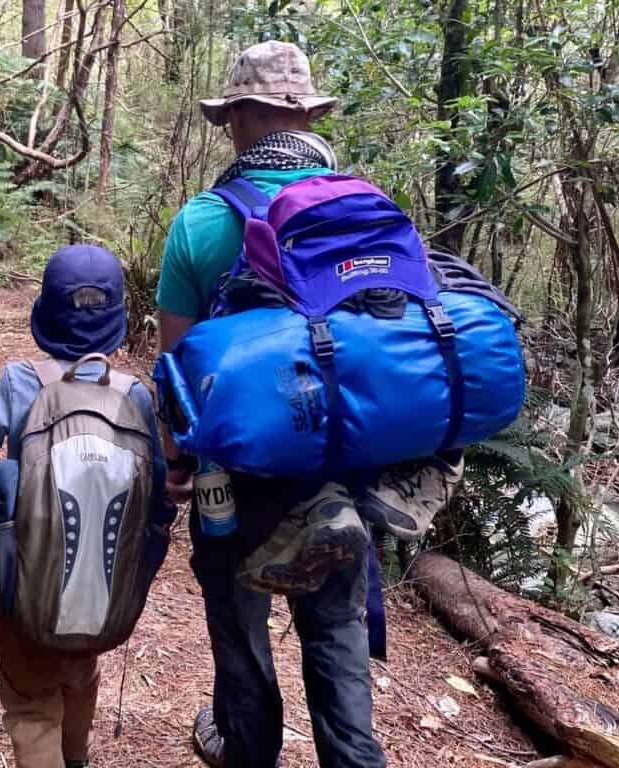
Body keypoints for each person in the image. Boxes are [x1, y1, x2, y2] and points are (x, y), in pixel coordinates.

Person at [157, 41, 462, 768]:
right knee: (334, 631)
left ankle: (246, 748)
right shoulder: (368, 209)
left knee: (240, 630)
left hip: (233, 479)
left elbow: (175, 370)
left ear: (237, 119)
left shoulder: (202, 221)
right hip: (344, 471)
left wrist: (173, 464)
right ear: (308, 118)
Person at [0, 244, 174, 768]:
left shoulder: (19, 381)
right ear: (118, 320)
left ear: (45, 312)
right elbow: (159, 498)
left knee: (31, 704)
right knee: (79, 674)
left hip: (26, 590)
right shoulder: (135, 397)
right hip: (100, 592)